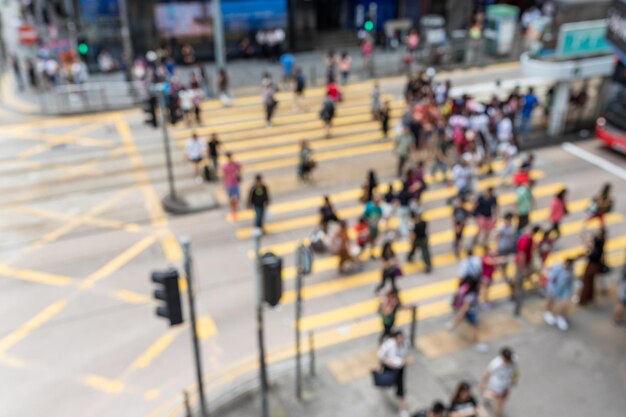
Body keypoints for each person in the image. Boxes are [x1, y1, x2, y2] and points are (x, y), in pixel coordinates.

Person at [377, 330, 410, 416]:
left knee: (401, 387)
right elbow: (380, 356)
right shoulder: (388, 345)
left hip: (400, 368)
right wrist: (388, 362)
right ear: (395, 339)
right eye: (399, 339)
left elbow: (406, 354)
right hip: (389, 367)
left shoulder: (406, 344)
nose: (401, 341)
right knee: (387, 381)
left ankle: (402, 408)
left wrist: (404, 361)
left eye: (402, 339)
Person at [480, 347, 519, 417]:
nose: (507, 361)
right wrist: (483, 383)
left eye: (508, 359)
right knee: (498, 404)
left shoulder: (513, 360)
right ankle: (498, 414)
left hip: (506, 385)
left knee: (503, 401)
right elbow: (487, 373)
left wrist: (515, 380)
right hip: (497, 386)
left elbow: (515, 371)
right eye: (505, 359)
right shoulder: (496, 363)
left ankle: (487, 396)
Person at [544, 258, 576, 331]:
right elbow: (551, 279)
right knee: (551, 301)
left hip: (564, 290)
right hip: (554, 289)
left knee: (565, 304)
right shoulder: (557, 268)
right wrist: (551, 290)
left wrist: (570, 292)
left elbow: (570, 282)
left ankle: (560, 317)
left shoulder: (571, 271)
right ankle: (548, 312)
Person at [580, 227, 606, 306]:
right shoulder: (601, 244)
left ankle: (583, 300)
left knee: (587, 283)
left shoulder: (596, 249)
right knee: (590, 283)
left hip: (592, 266)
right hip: (596, 266)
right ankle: (590, 297)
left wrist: (588, 251)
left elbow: (590, 256)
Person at [513, 225, 541, 300]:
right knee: (518, 279)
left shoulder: (529, 238)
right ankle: (517, 294)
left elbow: (533, 247)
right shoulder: (524, 241)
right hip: (522, 264)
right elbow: (522, 255)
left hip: (527, 262)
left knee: (528, 275)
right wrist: (523, 268)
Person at [496, 212, 517, 282]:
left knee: (511, 262)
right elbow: (497, 237)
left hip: (510, 247)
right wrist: (497, 246)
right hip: (503, 247)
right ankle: (504, 275)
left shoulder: (513, 227)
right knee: (503, 263)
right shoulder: (501, 227)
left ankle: (510, 277)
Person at [222, 152, 242, 219]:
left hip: (235, 182)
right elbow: (224, 175)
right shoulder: (225, 166)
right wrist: (224, 184)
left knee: (238, 196)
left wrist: (238, 174)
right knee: (231, 198)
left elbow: (240, 168)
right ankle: (233, 208)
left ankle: (235, 206)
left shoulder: (235, 164)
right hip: (229, 183)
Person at [613, 256, 626, 325]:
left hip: (623, 282)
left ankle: (617, 318)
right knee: (622, 302)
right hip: (624, 284)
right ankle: (617, 319)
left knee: (621, 301)